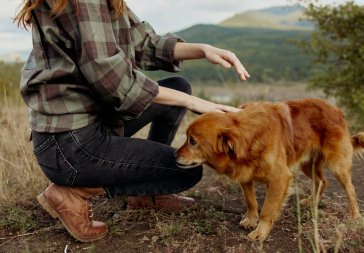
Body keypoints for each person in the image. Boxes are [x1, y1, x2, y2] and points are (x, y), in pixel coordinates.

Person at [15, 0, 250, 242]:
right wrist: (194, 103)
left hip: (85, 128)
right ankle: (71, 193)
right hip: (69, 145)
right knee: (185, 172)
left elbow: (144, 44)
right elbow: (113, 79)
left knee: (179, 87)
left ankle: (146, 195)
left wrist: (203, 49)